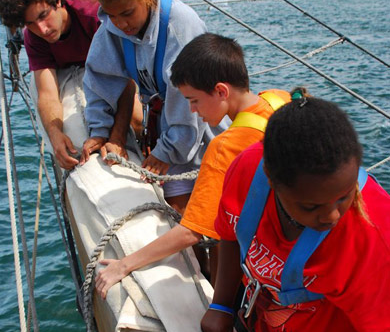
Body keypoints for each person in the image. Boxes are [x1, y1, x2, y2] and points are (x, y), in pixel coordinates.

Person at [201, 94, 390, 332]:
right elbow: (230, 234)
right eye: (312, 205)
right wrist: (222, 306)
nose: (333, 215)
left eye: (344, 196)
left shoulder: (372, 236)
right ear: (271, 177)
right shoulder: (246, 171)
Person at [94, 33, 290, 298]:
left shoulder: (225, 147)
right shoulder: (278, 99)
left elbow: (191, 232)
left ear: (221, 91)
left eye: (194, 100)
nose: (193, 111)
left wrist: (123, 265)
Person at [80, 0, 227, 214]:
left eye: (127, 13)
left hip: (203, 129)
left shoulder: (180, 24)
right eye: (111, 15)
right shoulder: (111, 29)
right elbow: (99, 81)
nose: (121, 24)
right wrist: (100, 130)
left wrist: (166, 152)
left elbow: (192, 102)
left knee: (213, 217)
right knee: (177, 214)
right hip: (166, 131)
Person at [0, 0, 138, 169]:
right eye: (30, 24)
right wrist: (55, 135)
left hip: (113, 69)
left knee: (136, 121)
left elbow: (125, 77)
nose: (42, 29)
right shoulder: (33, 37)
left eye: (43, 16)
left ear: (57, 1)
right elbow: (47, 93)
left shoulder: (93, 13)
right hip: (68, 71)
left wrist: (117, 137)